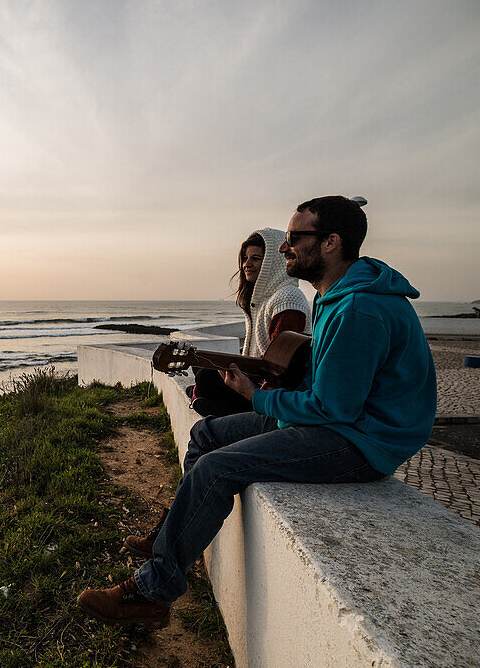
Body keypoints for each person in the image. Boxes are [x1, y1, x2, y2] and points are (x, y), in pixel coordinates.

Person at [77, 195, 437, 628]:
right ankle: (175, 536)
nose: (283, 248)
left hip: (362, 440)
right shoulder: (335, 295)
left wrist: (256, 395)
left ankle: (152, 593)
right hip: (341, 420)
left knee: (214, 468)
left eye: (292, 238)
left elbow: (332, 409)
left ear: (330, 243)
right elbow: (322, 385)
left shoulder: (360, 309)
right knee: (206, 434)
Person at [188, 228, 310, 417]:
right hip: (258, 378)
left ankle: (212, 402)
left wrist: (241, 377)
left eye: (256, 258)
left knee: (207, 377)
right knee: (202, 367)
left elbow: (280, 368)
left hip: (271, 390)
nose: (247, 264)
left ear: (273, 262)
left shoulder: (287, 298)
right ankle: (205, 400)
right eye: (245, 258)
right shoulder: (261, 301)